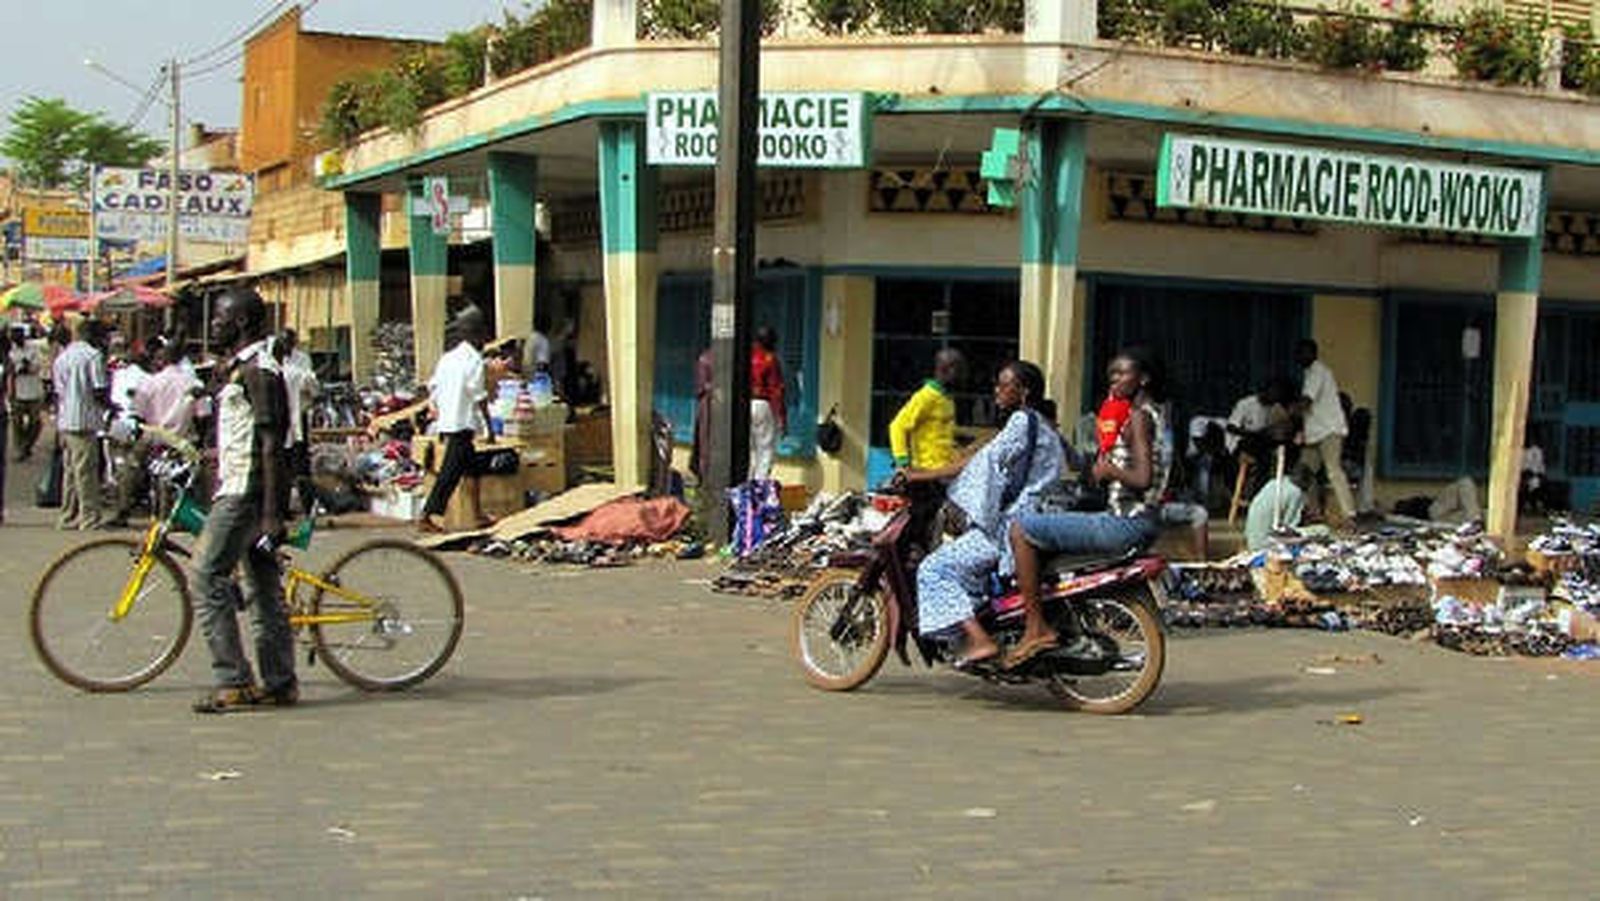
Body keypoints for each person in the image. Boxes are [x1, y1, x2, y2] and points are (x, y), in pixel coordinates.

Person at [1006, 348, 1172, 668]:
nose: (1115, 380)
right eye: (1112, 374)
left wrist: (1109, 472)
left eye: (1123, 373)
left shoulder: (1138, 417)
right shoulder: (1159, 415)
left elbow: (1142, 477)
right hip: (1145, 520)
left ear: (1144, 378)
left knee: (1022, 529)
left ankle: (1035, 627)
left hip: (1125, 523)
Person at [906, 361, 1065, 668]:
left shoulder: (1022, 421)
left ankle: (978, 640)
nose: (997, 390)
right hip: (1037, 517)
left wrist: (930, 482)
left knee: (933, 568)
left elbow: (984, 467)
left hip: (1011, 526)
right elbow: (981, 457)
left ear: (1024, 392)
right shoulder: (1041, 424)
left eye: (1004, 385)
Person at [191, 287, 296, 713]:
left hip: (246, 492)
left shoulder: (260, 370)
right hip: (239, 486)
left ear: (241, 323)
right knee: (262, 586)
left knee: (205, 575)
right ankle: (279, 681)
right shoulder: (239, 369)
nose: (212, 326)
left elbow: (272, 445)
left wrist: (273, 513)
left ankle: (232, 679)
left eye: (219, 319)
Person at [419, 306, 492, 534]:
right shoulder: (475, 362)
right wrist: (490, 428)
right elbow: (479, 397)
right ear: (476, 335)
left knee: (473, 471)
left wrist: (437, 407)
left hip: (448, 422)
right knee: (450, 475)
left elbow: (433, 388)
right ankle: (428, 514)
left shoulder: (448, 359)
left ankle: (477, 513)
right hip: (462, 423)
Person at [117, 338, 204, 520]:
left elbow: (138, 413)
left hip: (154, 436)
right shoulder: (193, 383)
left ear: (160, 361)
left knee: (131, 465)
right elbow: (203, 414)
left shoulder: (150, 382)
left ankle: (124, 507)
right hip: (183, 439)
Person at [53, 318, 111, 531]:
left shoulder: (62, 357)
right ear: (94, 336)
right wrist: (111, 407)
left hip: (66, 419)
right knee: (86, 471)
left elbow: (58, 392)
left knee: (70, 471)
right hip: (84, 420)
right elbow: (98, 390)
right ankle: (89, 517)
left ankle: (68, 515)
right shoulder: (93, 356)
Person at [1294, 339, 1356, 523]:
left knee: (1333, 470)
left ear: (1313, 353)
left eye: (1302, 352)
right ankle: (1313, 512)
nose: (1299, 356)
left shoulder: (1318, 371)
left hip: (1329, 430)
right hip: (1315, 432)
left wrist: (1288, 415)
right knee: (1305, 471)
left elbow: (1306, 402)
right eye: (1298, 353)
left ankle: (1349, 514)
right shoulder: (1309, 373)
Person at [889, 348, 964, 473]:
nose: (963, 376)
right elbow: (897, 426)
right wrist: (903, 462)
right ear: (949, 370)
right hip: (925, 471)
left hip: (943, 470)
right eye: (960, 371)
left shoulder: (947, 398)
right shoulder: (926, 396)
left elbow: (941, 431)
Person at [274, 329, 319, 514]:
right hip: (279, 418)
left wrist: (307, 382)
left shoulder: (302, 359)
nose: (287, 346)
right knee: (280, 465)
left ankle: (308, 506)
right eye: (284, 342)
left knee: (301, 464)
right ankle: (280, 508)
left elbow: (311, 385)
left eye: (290, 342)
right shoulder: (271, 361)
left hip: (297, 418)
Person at [749, 326, 786, 480]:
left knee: (751, 450)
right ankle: (760, 488)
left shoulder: (747, 356)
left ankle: (747, 486)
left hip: (746, 404)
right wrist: (782, 416)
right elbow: (776, 390)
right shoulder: (770, 359)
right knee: (765, 449)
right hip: (764, 404)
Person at [8, 323, 45, 461]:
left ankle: (27, 445)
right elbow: (11, 372)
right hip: (18, 391)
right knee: (17, 423)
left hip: (34, 391)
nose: (17, 339)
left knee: (35, 423)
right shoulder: (11, 351)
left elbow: (38, 366)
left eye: (19, 336)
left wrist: (27, 366)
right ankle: (20, 449)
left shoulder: (34, 348)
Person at [690, 347, 714, 482]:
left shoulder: (705, 358)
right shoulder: (705, 359)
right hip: (709, 405)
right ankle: (704, 475)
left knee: (705, 440)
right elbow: (702, 386)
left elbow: (701, 386)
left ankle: (704, 474)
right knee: (705, 440)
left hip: (710, 404)